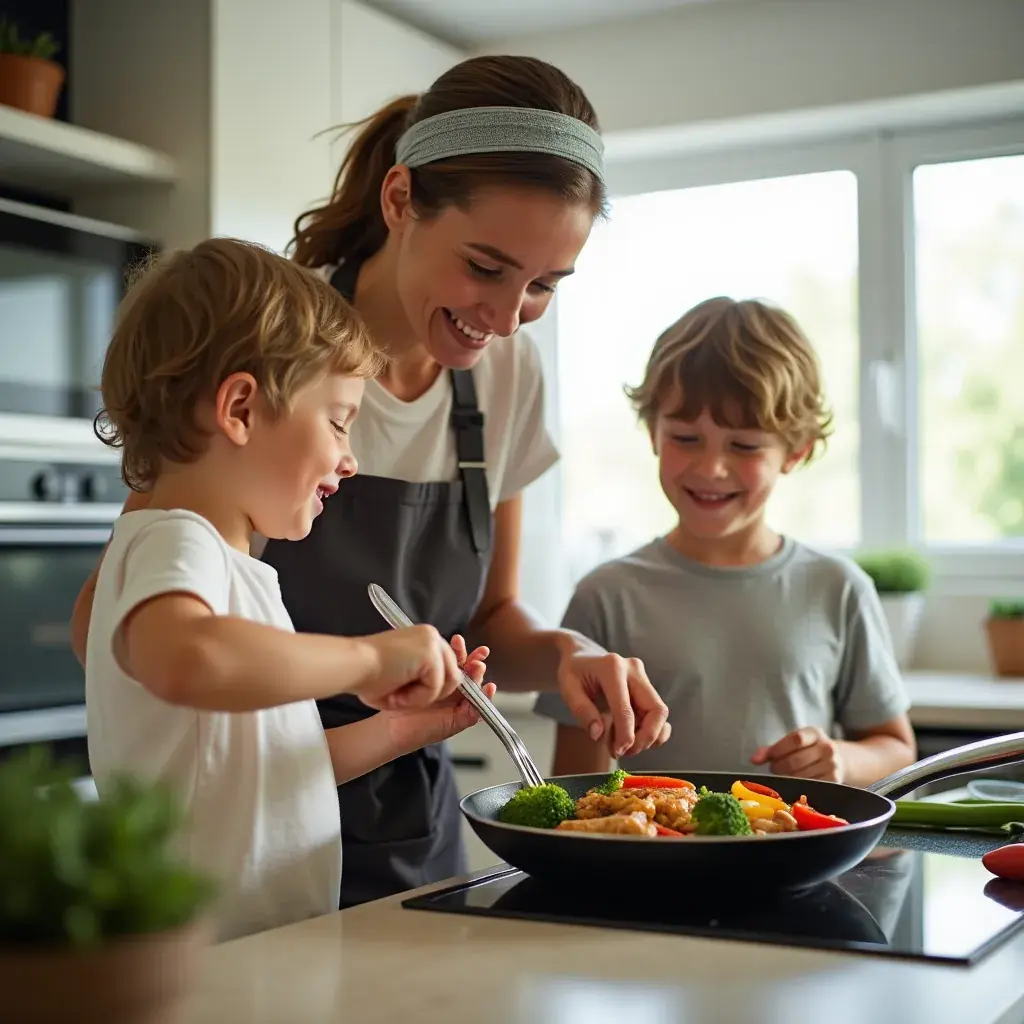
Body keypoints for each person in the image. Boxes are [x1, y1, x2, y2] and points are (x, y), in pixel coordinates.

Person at [72, 55, 672, 908]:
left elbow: (492, 616)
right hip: (217, 857)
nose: (505, 319)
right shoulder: (277, 345)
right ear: (399, 201)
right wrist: (356, 661)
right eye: (486, 267)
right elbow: (122, 625)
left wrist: (570, 657)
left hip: (383, 826)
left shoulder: (509, 377)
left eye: (543, 285)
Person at [84, 237, 494, 941]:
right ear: (240, 409)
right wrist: (369, 660)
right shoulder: (172, 542)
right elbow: (188, 659)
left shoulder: (237, 575)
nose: (350, 456)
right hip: (198, 970)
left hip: (259, 958)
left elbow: (265, 773)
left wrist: (399, 732)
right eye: (337, 420)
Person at [535, 297, 917, 786]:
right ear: (653, 432)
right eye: (685, 438)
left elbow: (897, 748)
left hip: (797, 861)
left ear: (795, 452)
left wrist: (840, 760)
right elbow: (573, 795)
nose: (710, 468)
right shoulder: (605, 596)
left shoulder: (838, 588)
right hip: (651, 861)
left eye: (744, 445)